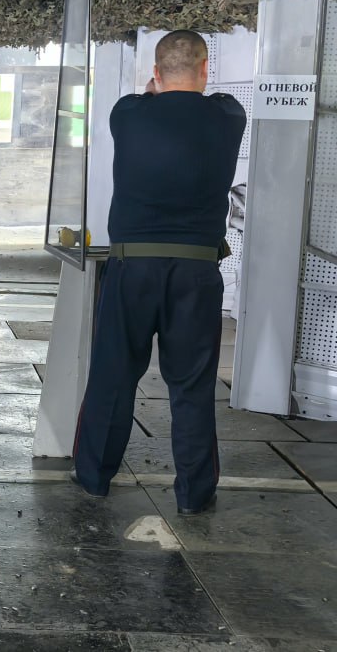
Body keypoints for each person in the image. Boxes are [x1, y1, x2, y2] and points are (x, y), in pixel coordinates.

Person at [72, 30, 247, 515]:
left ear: (154, 72)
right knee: (192, 387)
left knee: (113, 376)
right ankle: (194, 494)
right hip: (196, 272)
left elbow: (147, 99)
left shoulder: (127, 114)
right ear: (206, 69)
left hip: (131, 267)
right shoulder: (229, 116)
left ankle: (94, 478)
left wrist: (154, 90)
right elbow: (210, 102)